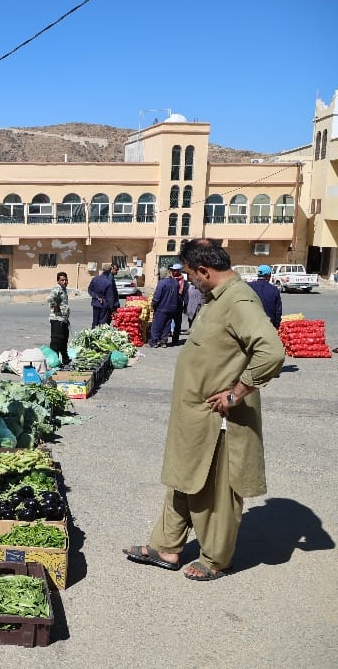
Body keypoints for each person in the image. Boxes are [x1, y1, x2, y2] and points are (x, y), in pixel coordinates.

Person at [124, 238, 285, 581]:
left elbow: (271, 352)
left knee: (216, 491)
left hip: (219, 419)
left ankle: (215, 559)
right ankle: (166, 547)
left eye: (189, 273)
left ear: (203, 270)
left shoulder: (239, 300)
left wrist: (236, 393)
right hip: (195, 416)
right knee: (183, 478)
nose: (188, 280)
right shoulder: (219, 298)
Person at [149, 264, 185, 347]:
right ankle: (164, 341)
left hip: (162, 308)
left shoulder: (162, 283)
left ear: (161, 274)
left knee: (157, 325)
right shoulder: (176, 283)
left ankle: (154, 342)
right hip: (172, 308)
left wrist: (153, 304)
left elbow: (157, 297)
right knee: (167, 325)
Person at [247, 264, 283, 329]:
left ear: (258, 274)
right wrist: (276, 327)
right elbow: (278, 312)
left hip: (251, 325)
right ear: (269, 275)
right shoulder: (274, 290)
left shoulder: (248, 286)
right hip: (269, 326)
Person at [47, 271, 71, 366]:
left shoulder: (63, 289)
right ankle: (53, 362)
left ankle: (65, 359)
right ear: (58, 281)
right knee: (56, 342)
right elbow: (50, 298)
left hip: (63, 319)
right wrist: (55, 306)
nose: (64, 282)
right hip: (57, 319)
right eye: (62, 280)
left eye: (66, 280)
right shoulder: (57, 288)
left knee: (64, 340)